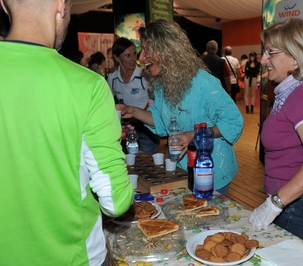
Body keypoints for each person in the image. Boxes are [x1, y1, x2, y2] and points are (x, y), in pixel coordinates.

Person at [0, 0, 134, 265]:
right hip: (74, 256)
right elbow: (115, 200)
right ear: (61, 5)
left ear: (4, 5)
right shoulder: (89, 86)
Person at [117, 19, 244, 194]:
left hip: (210, 170)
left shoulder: (204, 84)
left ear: (167, 51)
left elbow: (233, 121)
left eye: (146, 50)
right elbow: (161, 122)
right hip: (182, 169)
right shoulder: (163, 83)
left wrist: (195, 135)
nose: (141, 57)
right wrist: (133, 111)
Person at [248, 18, 303, 243]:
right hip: (293, 201)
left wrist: (273, 204)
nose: (263, 59)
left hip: (297, 205)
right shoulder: (295, 90)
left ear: (295, 59)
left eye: (270, 52)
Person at [108, 37, 160, 154]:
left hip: (147, 128)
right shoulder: (113, 78)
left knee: (148, 164)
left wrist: (141, 117)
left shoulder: (145, 76)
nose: (133, 59)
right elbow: (109, 103)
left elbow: (154, 101)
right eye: (128, 55)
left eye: (134, 54)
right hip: (126, 129)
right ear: (117, 58)